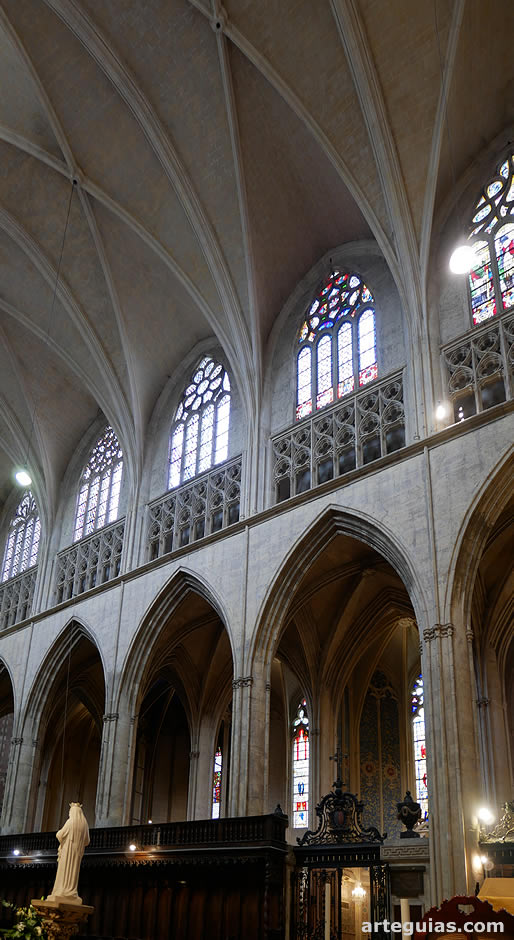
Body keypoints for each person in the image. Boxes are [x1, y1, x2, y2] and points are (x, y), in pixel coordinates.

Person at [47, 802, 90, 904]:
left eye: (70, 812)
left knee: (64, 871)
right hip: (77, 854)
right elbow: (87, 841)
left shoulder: (70, 822)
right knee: (73, 872)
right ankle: (71, 892)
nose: (70, 814)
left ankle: (62, 891)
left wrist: (58, 833)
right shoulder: (84, 825)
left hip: (67, 852)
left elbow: (60, 835)